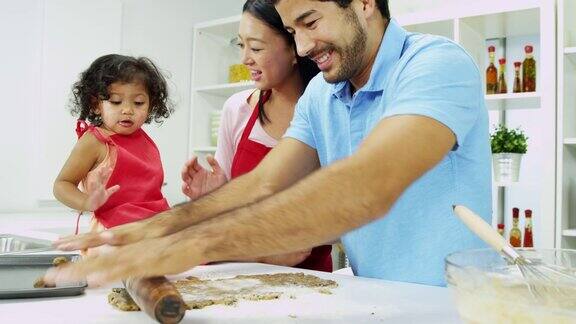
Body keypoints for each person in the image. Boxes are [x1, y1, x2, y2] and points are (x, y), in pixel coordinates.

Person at [46, 0, 491, 287]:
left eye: (310, 22)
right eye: (293, 30)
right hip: (376, 297)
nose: (302, 46)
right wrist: (158, 227)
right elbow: (261, 184)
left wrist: (198, 243)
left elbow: (368, 186)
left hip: (452, 306)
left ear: (365, 3)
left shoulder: (435, 64)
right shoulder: (324, 94)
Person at [181, 0, 332, 271]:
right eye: (241, 45)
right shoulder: (237, 109)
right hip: (240, 276)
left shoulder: (332, 113)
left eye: (257, 47)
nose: (245, 58)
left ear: (295, 47)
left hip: (312, 284)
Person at [53, 54, 173, 232]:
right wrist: (87, 202)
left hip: (154, 226)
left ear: (151, 106)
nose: (127, 110)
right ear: (95, 104)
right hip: (113, 232)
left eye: (139, 103)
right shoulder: (95, 141)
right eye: (116, 102)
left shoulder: (145, 139)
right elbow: (62, 185)